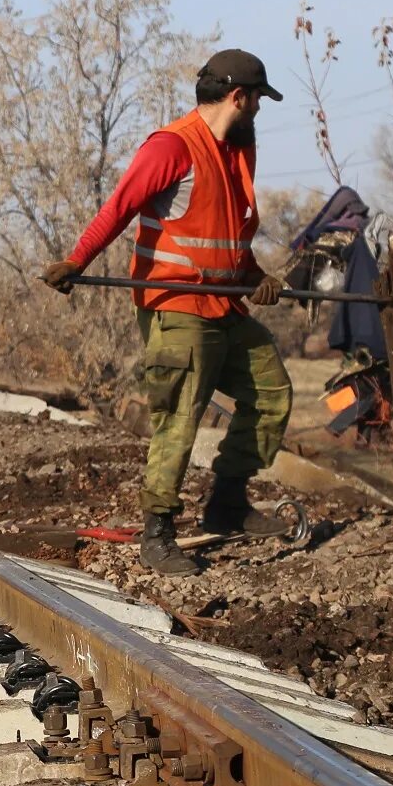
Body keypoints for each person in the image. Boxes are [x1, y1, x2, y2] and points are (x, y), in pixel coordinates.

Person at [42, 48, 293, 576]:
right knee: (180, 418)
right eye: (257, 102)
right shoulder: (171, 147)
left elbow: (224, 241)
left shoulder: (236, 151)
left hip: (223, 304)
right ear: (238, 97)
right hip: (176, 306)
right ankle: (157, 533)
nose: (259, 112)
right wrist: (76, 260)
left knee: (271, 392)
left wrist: (257, 279)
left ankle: (227, 503)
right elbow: (119, 207)